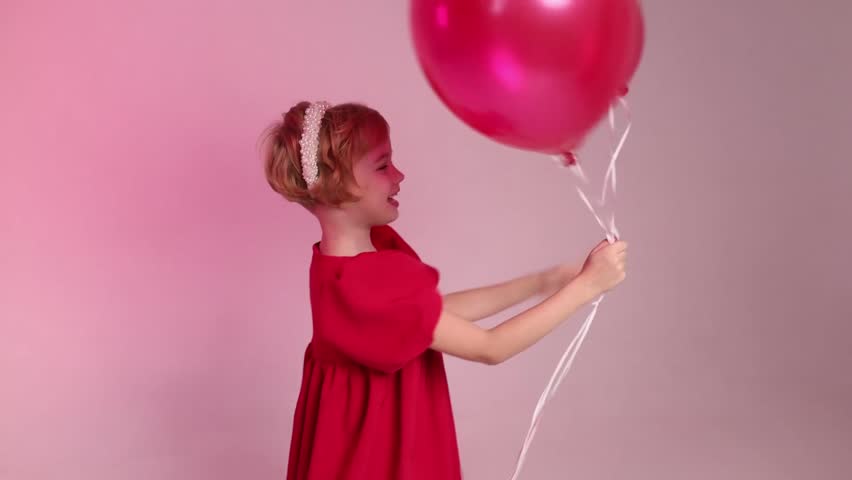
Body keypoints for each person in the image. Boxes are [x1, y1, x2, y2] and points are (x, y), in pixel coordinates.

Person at [261, 101, 628, 479]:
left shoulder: (336, 268)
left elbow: (430, 314)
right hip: (377, 457)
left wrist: (541, 283)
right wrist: (588, 286)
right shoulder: (367, 281)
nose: (399, 175)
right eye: (383, 165)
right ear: (336, 182)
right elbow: (490, 347)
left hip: (352, 448)